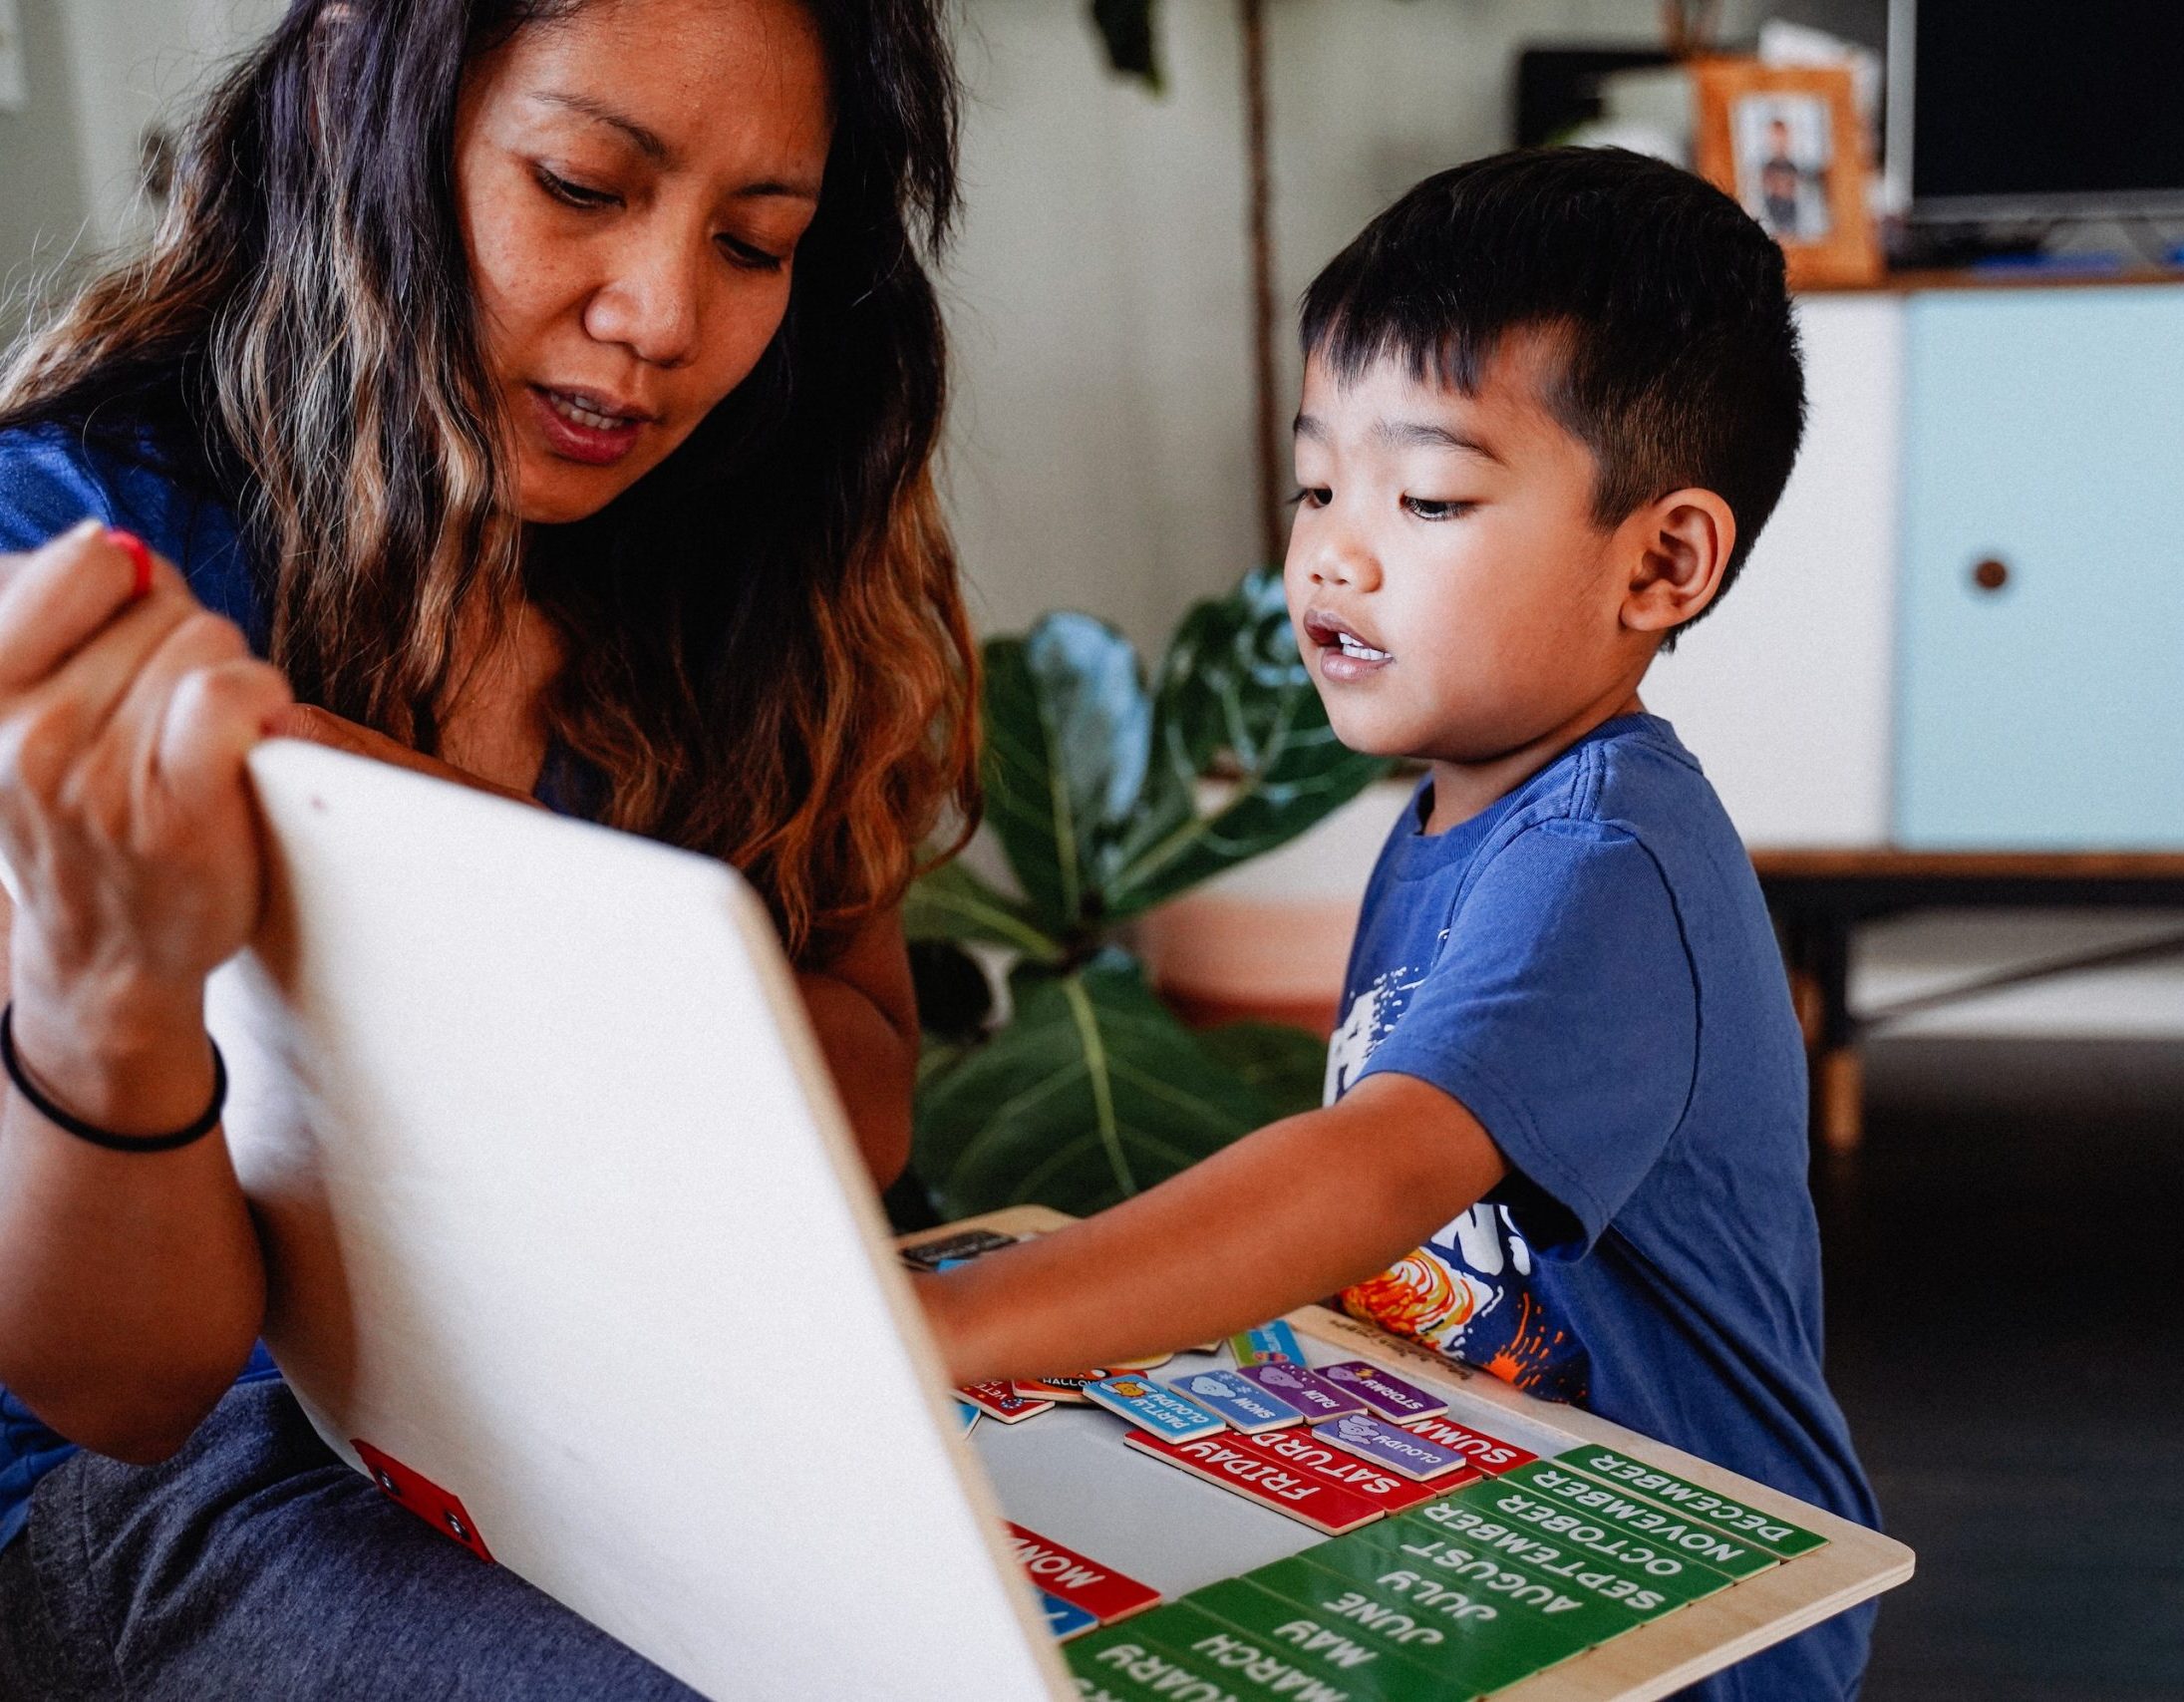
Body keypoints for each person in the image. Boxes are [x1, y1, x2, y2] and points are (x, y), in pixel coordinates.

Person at [0, 0, 975, 1693]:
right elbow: (135, 1394)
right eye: (582, 184)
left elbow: (870, 1093)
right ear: (363, 120)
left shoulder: (755, 539)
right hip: (177, 1481)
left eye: (757, 245)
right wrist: (113, 993)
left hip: (630, 1403)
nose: (661, 317)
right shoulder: (72, 562)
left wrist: (413, 837)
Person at [920, 147, 1880, 1701]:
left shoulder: (1603, 863)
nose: (1330, 554)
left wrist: (941, 1330)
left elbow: (1373, 1167)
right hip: (1485, 1519)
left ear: (1662, 560)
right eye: (1314, 484)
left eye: (1425, 496)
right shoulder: (1453, 809)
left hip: (1684, 1613)